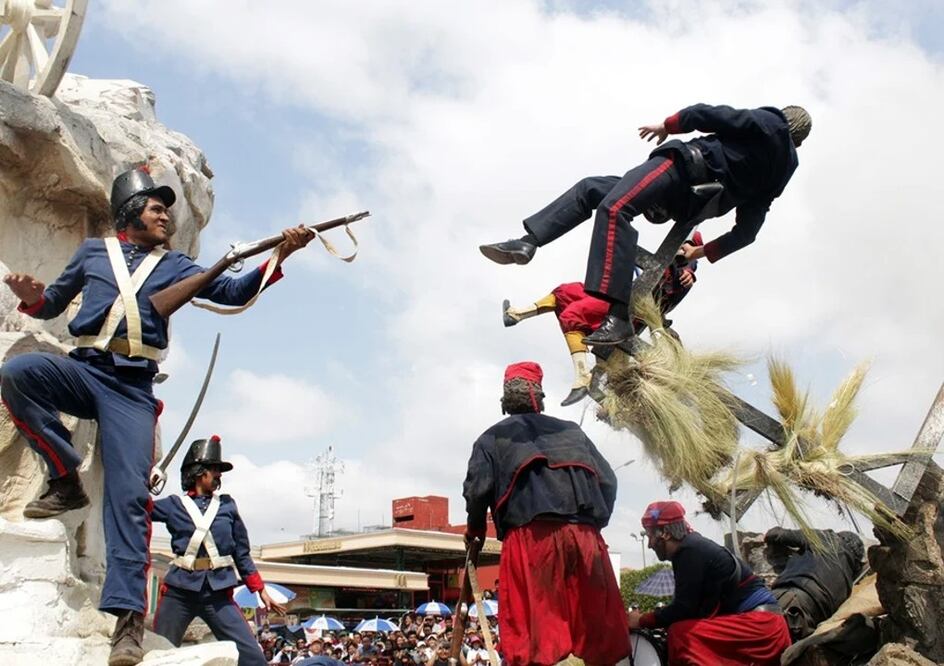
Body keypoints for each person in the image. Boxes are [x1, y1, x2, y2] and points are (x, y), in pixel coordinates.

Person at [0, 166, 313, 665]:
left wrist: (280, 253)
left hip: (131, 388)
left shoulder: (177, 265)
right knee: (17, 375)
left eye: (165, 207)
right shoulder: (92, 253)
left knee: (128, 501)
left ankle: (126, 624)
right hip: (84, 369)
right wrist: (32, 296)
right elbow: (52, 305)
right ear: (129, 212)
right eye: (154, 206)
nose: (164, 213)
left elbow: (232, 292)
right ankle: (64, 478)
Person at [480, 103, 811, 346]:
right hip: (686, 204)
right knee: (592, 189)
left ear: (785, 119)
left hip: (679, 172)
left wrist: (669, 125)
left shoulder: (772, 124)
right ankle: (529, 241)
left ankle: (618, 314)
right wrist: (700, 251)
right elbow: (747, 233)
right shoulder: (781, 173)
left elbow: (711, 115)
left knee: (614, 209)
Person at [462, 361, 629, 666]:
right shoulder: (573, 432)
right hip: (584, 536)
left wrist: (475, 530)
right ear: (540, 395)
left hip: (530, 540)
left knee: (536, 632)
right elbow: (608, 481)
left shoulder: (490, 438)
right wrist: (594, 527)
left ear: (505, 397)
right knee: (595, 628)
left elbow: (478, 491)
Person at [502, 232, 703, 405]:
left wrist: (689, 270)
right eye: (683, 243)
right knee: (567, 291)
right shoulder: (663, 263)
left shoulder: (682, 274)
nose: (683, 247)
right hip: (620, 294)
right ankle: (517, 314)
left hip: (626, 310)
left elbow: (683, 275)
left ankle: (582, 376)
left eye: (689, 246)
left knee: (573, 315)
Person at [151, 436, 283, 666]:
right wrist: (145, 483)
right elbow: (138, 508)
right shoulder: (173, 505)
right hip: (179, 591)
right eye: (214, 469)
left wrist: (259, 589)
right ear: (199, 472)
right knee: (156, 653)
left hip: (218, 592)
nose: (218, 475)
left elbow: (241, 553)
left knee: (253, 658)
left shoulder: (227, 506)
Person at [628, 501, 792, 665]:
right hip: (764, 626)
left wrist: (642, 620)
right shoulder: (691, 549)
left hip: (761, 628)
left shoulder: (691, 551)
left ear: (665, 533)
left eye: (650, 536)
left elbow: (683, 609)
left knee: (681, 634)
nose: (649, 544)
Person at [765, 527, 865, 640]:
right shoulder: (848, 585)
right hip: (805, 626)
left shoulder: (828, 539)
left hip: (787, 600)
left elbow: (776, 534)